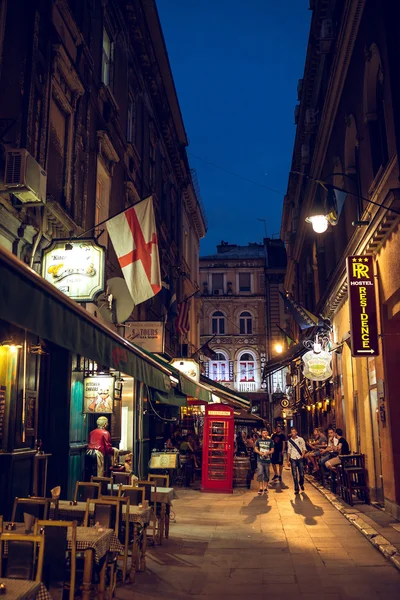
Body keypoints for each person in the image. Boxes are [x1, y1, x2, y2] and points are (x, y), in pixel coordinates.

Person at [254, 428, 274, 495]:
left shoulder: (270, 441)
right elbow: (255, 448)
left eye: (266, 433)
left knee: (266, 473)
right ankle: (260, 488)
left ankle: (265, 487)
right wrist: (259, 452)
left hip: (267, 460)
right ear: (261, 434)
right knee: (260, 473)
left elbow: (272, 450)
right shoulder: (258, 441)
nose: (265, 434)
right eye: (264, 433)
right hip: (260, 459)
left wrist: (267, 453)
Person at [287, 427, 306, 494]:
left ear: (296, 432)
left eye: (294, 432)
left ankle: (301, 483)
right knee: (294, 474)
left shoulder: (300, 439)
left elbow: (304, 448)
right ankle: (296, 488)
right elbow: (289, 450)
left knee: (301, 473)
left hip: (299, 457)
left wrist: (302, 456)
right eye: (292, 432)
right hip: (293, 458)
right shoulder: (289, 441)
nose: (293, 433)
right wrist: (288, 460)